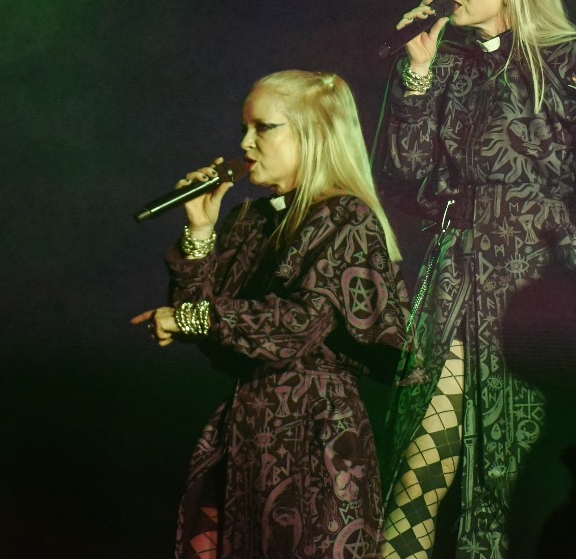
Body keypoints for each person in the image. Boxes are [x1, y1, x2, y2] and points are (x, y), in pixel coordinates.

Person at [376, 0, 576, 558]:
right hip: (455, 273)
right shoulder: (442, 56)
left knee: (521, 477)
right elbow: (402, 173)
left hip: (538, 280)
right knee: (417, 471)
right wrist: (416, 73)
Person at [129, 70, 411, 558]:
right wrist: (201, 231)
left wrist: (188, 319)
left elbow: (294, 327)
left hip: (314, 435)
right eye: (245, 128)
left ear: (313, 134)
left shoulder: (346, 216)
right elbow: (207, 317)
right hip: (247, 436)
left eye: (263, 127)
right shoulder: (252, 220)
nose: (245, 142)